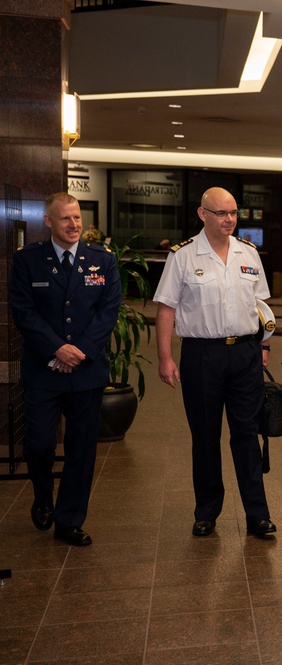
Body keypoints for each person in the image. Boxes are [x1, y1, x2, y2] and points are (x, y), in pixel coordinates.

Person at [153, 187, 276, 539]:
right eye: (221, 213)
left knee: (247, 435)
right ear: (202, 214)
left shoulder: (248, 253)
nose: (229, 219)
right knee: (205, 436)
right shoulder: (184, 256)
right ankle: (207, 511)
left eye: (234, 213)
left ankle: (258, 515)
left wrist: (264, 346)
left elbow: (261, 305)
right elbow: (166, 307)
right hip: (201, 354)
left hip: (244, 354)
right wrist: (165, 357)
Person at [9, 193, 121, 547]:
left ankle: (69, 520)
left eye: (77, 218)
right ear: (48, 222)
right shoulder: (28, 260)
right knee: (39, 444)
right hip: (44, 369)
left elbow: (108, 311)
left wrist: (80, 351)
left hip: (86, 372)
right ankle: (43, 495)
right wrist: (57, 348)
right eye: (65, 220)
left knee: (81, 449)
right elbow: (23, 311)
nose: (74, 225)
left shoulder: (102, 260)